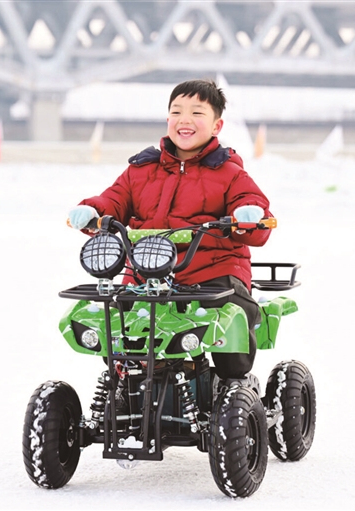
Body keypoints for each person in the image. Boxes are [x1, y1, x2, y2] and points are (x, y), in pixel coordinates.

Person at [67, 79, 271, 381]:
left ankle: (229, 385)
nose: (184, 120)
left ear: (216, 125)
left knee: (230, 324)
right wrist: (95, 211)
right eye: (177, 112)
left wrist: (248, 216)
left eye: (197, 113)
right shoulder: (141, 170)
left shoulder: (229, 172)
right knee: (116, 328)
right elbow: (115, 198)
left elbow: (249, 199)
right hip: (145, 273)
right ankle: (127, 384)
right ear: (168, 120)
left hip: (212, 271)